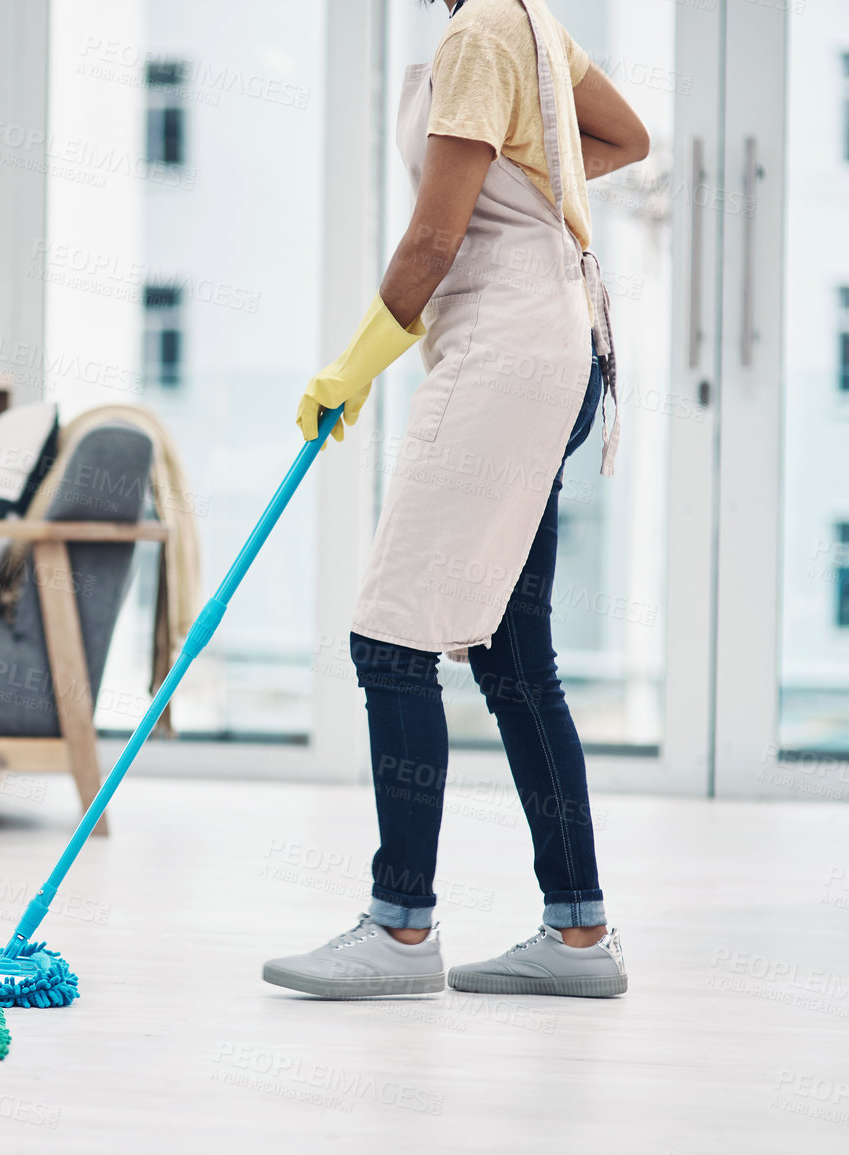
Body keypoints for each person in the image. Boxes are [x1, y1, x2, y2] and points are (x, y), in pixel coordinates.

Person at [261, 0, 647, 998]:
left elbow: (433, 242)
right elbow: (624, 137)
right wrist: (524, 205)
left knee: (392, 641)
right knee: (518, 661)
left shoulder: (478, 34)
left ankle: (399, 929)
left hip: (503, 360)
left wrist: (352, 365)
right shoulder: (533, 22)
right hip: (558, 349)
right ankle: (578, 937)